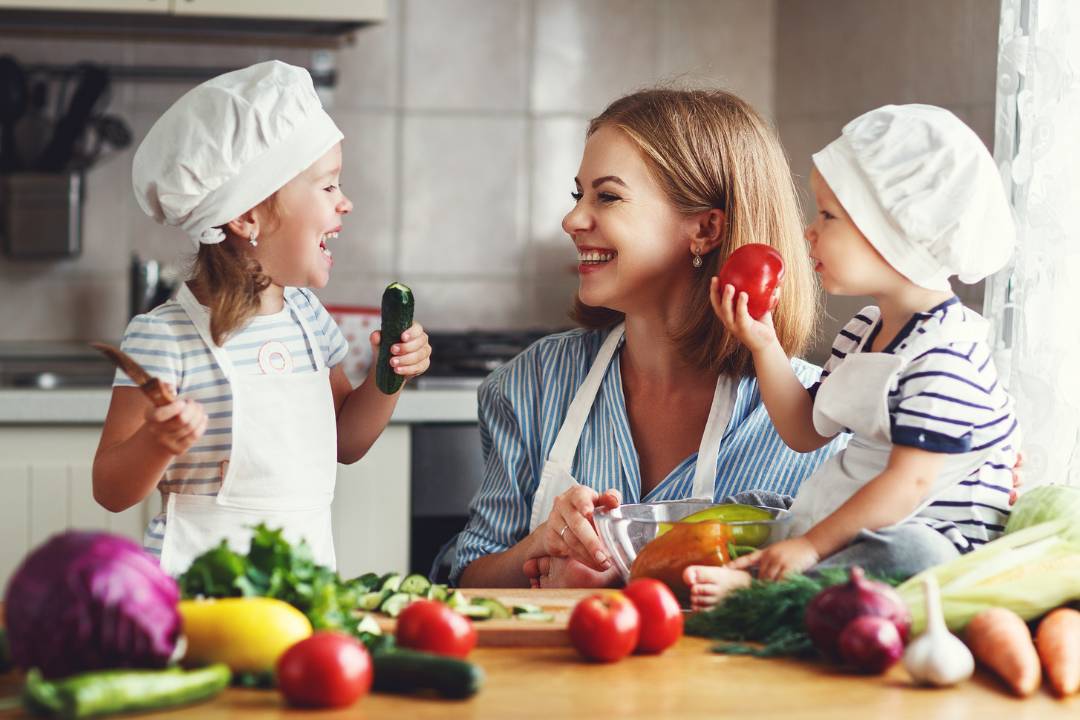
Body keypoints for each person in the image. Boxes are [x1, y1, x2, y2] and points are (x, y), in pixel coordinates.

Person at [452, 88, 845, 589]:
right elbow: (465, 581)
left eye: (608, 196)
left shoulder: (825, 420)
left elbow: (835, 601)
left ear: (705, 228)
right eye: (579, 195)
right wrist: (542, 546)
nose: (572, 220)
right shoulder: (532, 383)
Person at [91, 61, 432, 576]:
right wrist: (157, 442)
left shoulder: (308, 320)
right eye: (327, 187)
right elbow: (111, 490)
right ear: (247, 216)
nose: (346, 203)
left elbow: (345, 443)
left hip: (300, 589)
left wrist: (390, 377)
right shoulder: (165, 337)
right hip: (192, 594)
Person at [688, 104, 1020, 610]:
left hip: (928, 539)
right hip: (861, 518)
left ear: (897, 233)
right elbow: (803, 431)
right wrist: (763, 342)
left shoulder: (946, 355)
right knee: (750, 506)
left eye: (828, 215)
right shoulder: (865, 329)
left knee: (915, 553)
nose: (808, 231)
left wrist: (810, 546)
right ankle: (743, 567)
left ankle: (771, 588)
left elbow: (908, 484)